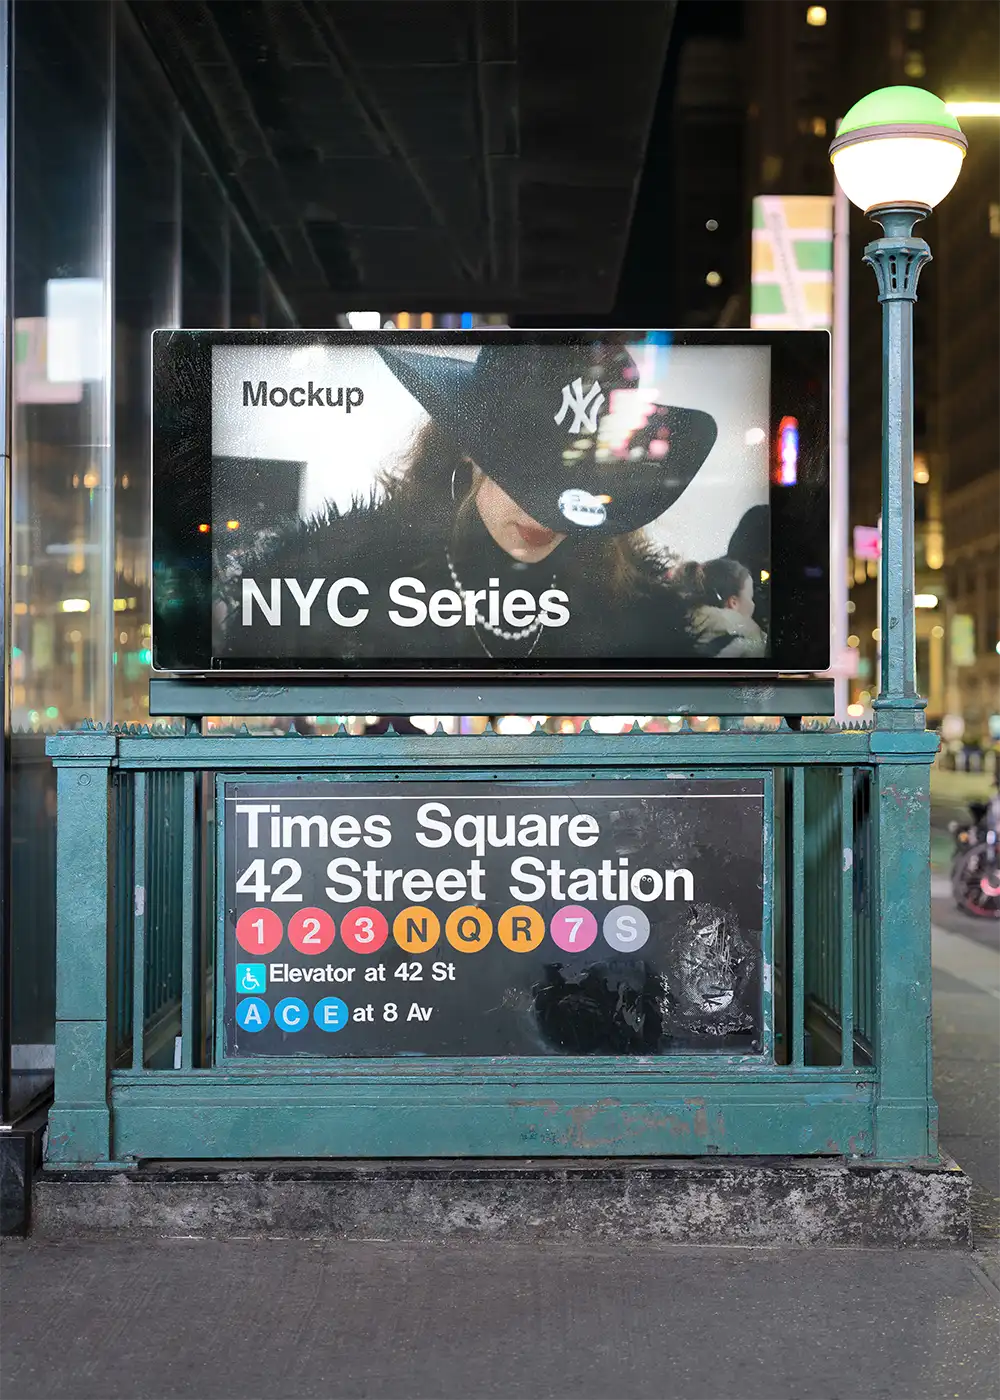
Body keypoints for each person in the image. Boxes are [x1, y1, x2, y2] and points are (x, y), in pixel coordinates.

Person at [219, 341, 719, 665]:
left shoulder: (643, 615)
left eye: (578, 483)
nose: (545, 512)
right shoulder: (334, 583)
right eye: (525, 473)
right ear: (468, 448)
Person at [672, 557, 767, 659]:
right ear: (733, 603)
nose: (753, 604)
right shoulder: (746, 646)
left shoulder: (682, 634)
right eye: (750, 597)